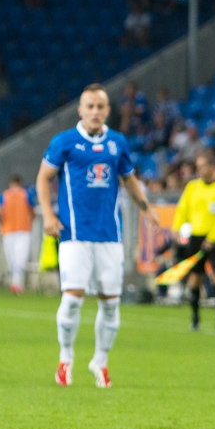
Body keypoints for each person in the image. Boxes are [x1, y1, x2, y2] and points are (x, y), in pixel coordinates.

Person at [36, 83, 160, 388]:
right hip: (74, 234)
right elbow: (43, 177)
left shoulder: (117, 142)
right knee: (73, 299)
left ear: (107, 111)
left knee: (110, 304)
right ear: (80, 110)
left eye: (100, 106)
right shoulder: (64, 141)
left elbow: (128, 180)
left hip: (109, 236)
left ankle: (100, 362)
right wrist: (49, 215)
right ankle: (65, 359)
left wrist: (146, 208)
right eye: (89, 106)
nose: (94, 111)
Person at [171, 151, 215, 331]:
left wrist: (213, 238)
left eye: (202, 166)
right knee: (195, 278)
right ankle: (195, 318)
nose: (199, 169)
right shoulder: (192, 186)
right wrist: (176, 228)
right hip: (196, 237)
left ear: (213, 167)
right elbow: (182, 208)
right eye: (197, 166)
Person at [0, 174, 37, 293]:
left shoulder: (3, 195)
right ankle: (16, 283)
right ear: (21, 183)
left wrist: (1, 223)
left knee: (11, 258)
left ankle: (15, 283)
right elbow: (33, 212)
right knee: (21, 257)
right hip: (23, 230)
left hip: (8, 230)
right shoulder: (26, 194)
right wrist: (29, 222)